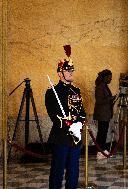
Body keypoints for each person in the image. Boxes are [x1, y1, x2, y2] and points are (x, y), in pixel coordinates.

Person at [45, 45, 86, 189]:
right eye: (67, 70)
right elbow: (54, 116)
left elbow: (82, 113)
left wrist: (79, 125)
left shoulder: (76, 90)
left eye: (72, 70)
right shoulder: (52, 92)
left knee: (73, 172)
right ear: (59, 73)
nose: (71, 72)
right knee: (57, 172)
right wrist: (70, 125)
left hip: (75, 139)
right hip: (61, 138)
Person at [93, 69, 117, 159]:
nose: (111, 79)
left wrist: (112, 99)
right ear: (105, 77)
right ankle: (99, 151)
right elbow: (99, 101)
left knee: (103, 133)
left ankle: (101, 150)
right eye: (110, 78)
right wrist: (110, 98)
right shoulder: (100, 87)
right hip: (102, 114)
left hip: (105, 114)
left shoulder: (104, 86)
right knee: (102, 133)